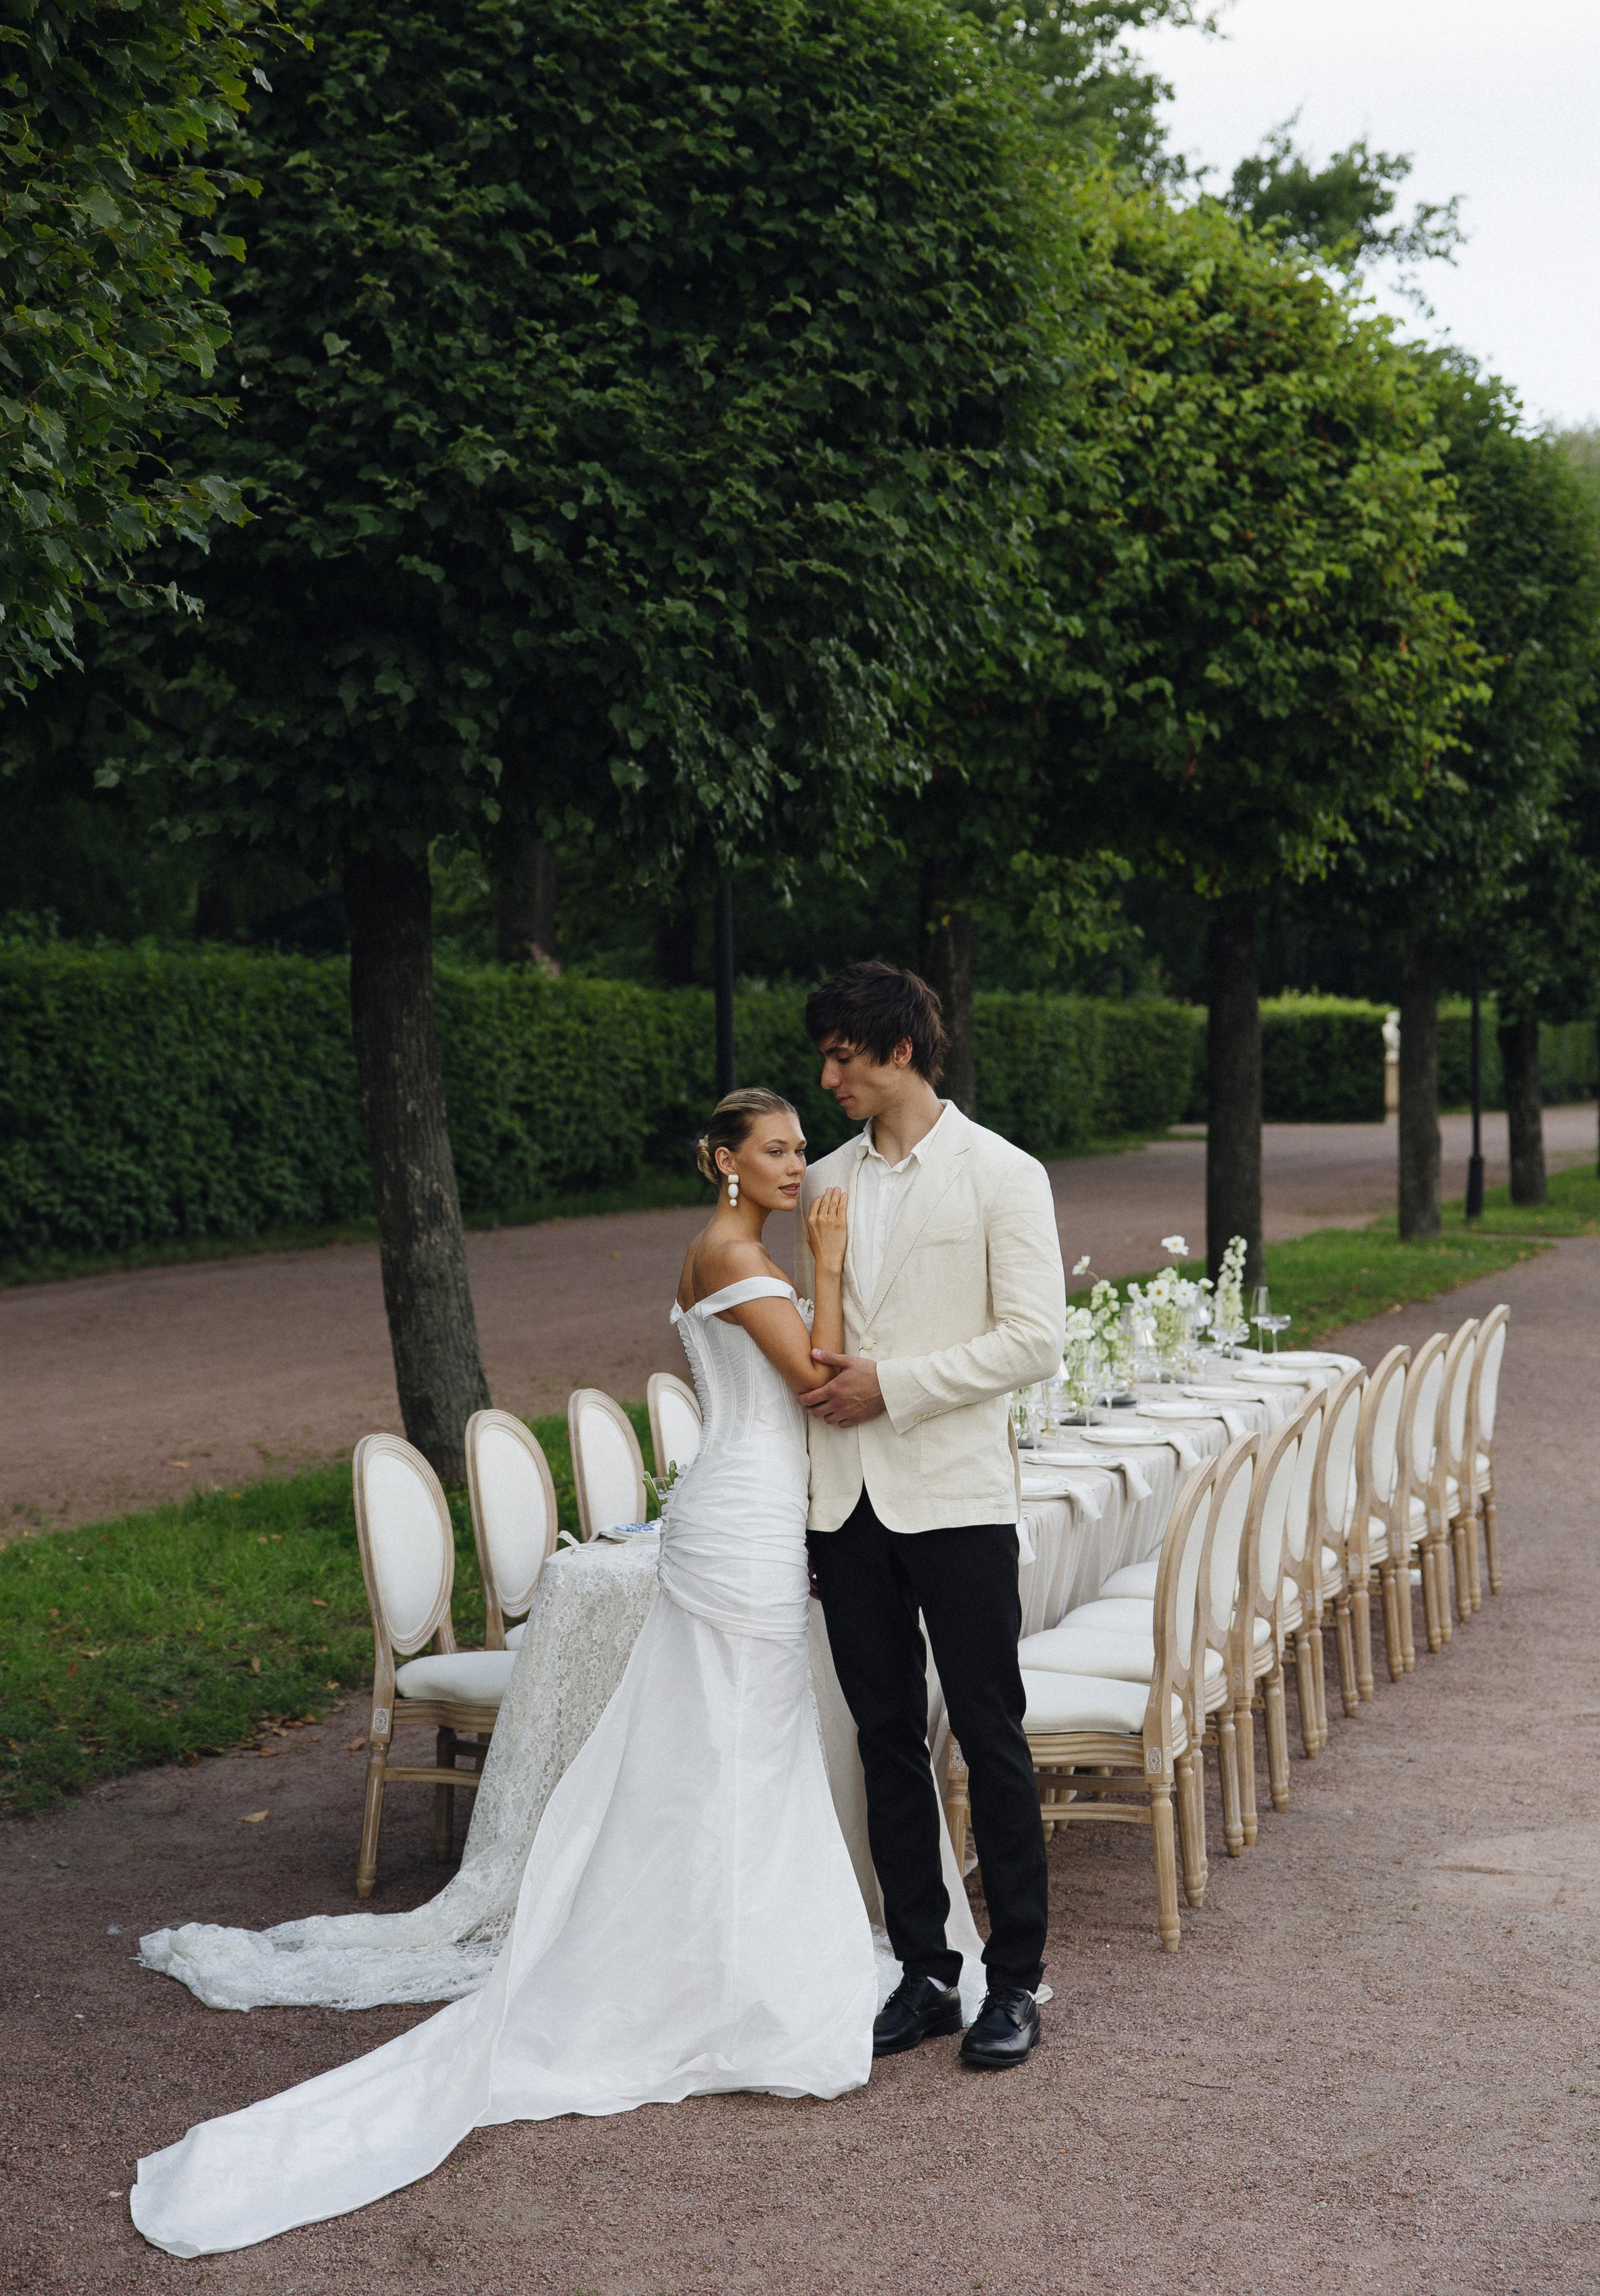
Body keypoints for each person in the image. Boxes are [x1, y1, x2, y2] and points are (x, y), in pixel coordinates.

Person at [131, 1090, 878, 2258]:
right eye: (776, 1150)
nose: (797, 1166)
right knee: (735, 1745)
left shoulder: (726, 1253)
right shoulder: (735, 1253)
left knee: (736, 1749)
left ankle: (735, 1968)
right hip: (740, 1525)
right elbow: (822, 1383)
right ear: (724, 1162)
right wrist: (829, 1263)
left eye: (797, 1150)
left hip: (746, 1514)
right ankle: (716, 1984)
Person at [796, 963, 1066, 2071]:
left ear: (898, 1049)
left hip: (955, 1498)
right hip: (845, 1500)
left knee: (992, 1736)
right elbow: (818, 1333)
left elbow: (1035, 1339)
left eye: (844, 1055)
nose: (828, 1077)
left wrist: (891, 1385)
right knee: (884, 1741)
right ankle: (926, 1972)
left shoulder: (1004, 1173)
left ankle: (1018, 1980)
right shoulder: (821, 1178)